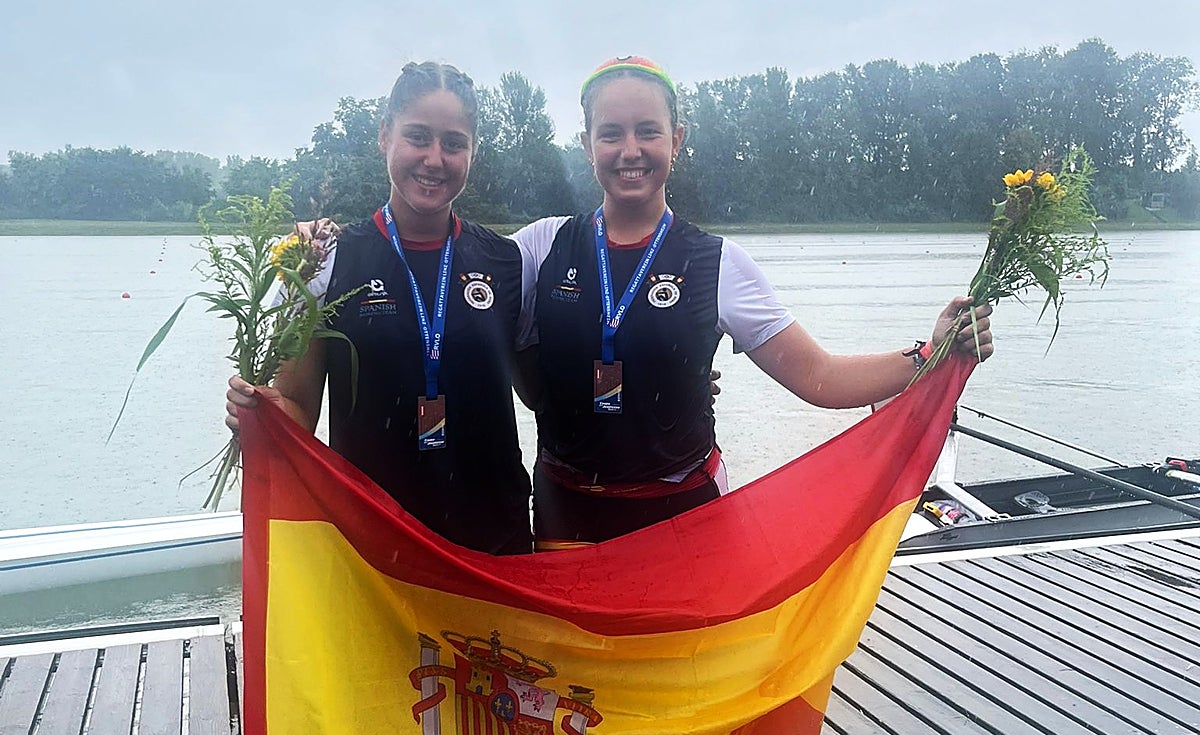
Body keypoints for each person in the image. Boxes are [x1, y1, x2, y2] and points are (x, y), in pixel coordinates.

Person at [509, 56, 994, 549]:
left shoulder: (719, 262)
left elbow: (819, 377)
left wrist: (932, 352)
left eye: (648, 131)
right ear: (586, 142)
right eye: (610, 133)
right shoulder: (539, 248)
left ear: (677, 140)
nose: (629, 150)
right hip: (564, 512)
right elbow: (474, 335)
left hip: (682, 518)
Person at [225, 61, 532, 555]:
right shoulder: (324, 261)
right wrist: (262, 413)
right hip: (374, 551)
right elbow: (299, 408)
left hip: (495, 549)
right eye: (418, 137)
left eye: (454, 143)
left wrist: (674, 380)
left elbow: (545, 393)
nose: (435, 158)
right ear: (385, 136)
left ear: (473, 151)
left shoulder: (508, 260)